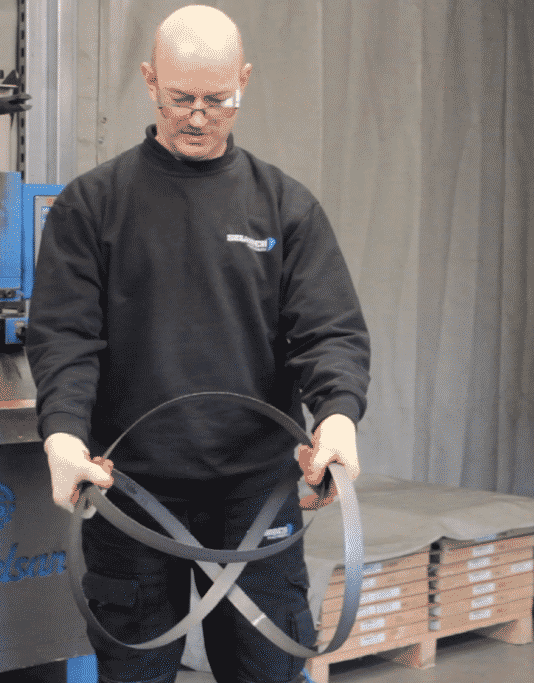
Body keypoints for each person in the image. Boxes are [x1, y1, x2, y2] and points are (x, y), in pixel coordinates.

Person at [25, 5, 370, 683]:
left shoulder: (284, 208)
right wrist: (62, 434)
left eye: (219, 99)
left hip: (256, 495)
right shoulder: (92, 207)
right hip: (133, 488)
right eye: (181, 97)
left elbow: (328, 330)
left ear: (244, 81)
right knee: (136, 671)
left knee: (269, 669)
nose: (198, 116)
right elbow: (64, 336)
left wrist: (337, 414)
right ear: (150, 80)